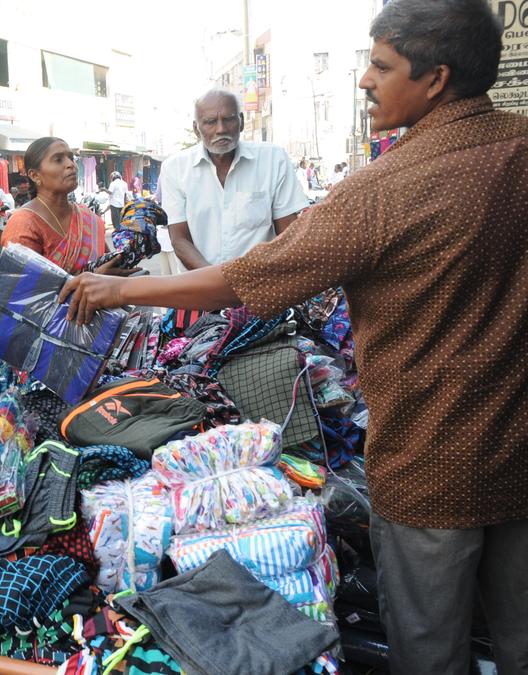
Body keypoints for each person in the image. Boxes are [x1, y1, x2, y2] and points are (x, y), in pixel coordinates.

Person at [59, 1, 528, 671]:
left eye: (381, 65)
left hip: (431, 466)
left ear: (435, 78)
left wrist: (120, 288)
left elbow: (248, 280)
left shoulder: (384, 187)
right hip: (519, 450)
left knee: (430, 649)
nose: (366, 80)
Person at [158, 89, 307, 271]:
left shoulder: (273, 159)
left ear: (241, 122)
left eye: (228, 119)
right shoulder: (175, 168)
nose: (221, 129)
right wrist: (219, 283)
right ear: (197, 129)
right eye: (210, 122)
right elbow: (179, 239)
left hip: (260, 286)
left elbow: (288, 233)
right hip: (200, 287)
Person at [2, 136, 108, 274]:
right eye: (58, 159)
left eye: (71, 158)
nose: (71, 164)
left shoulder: (86, 216)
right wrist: (96, 278)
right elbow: (22, 292)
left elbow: (106, 262)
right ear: (35, 176)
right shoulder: (23, 223)